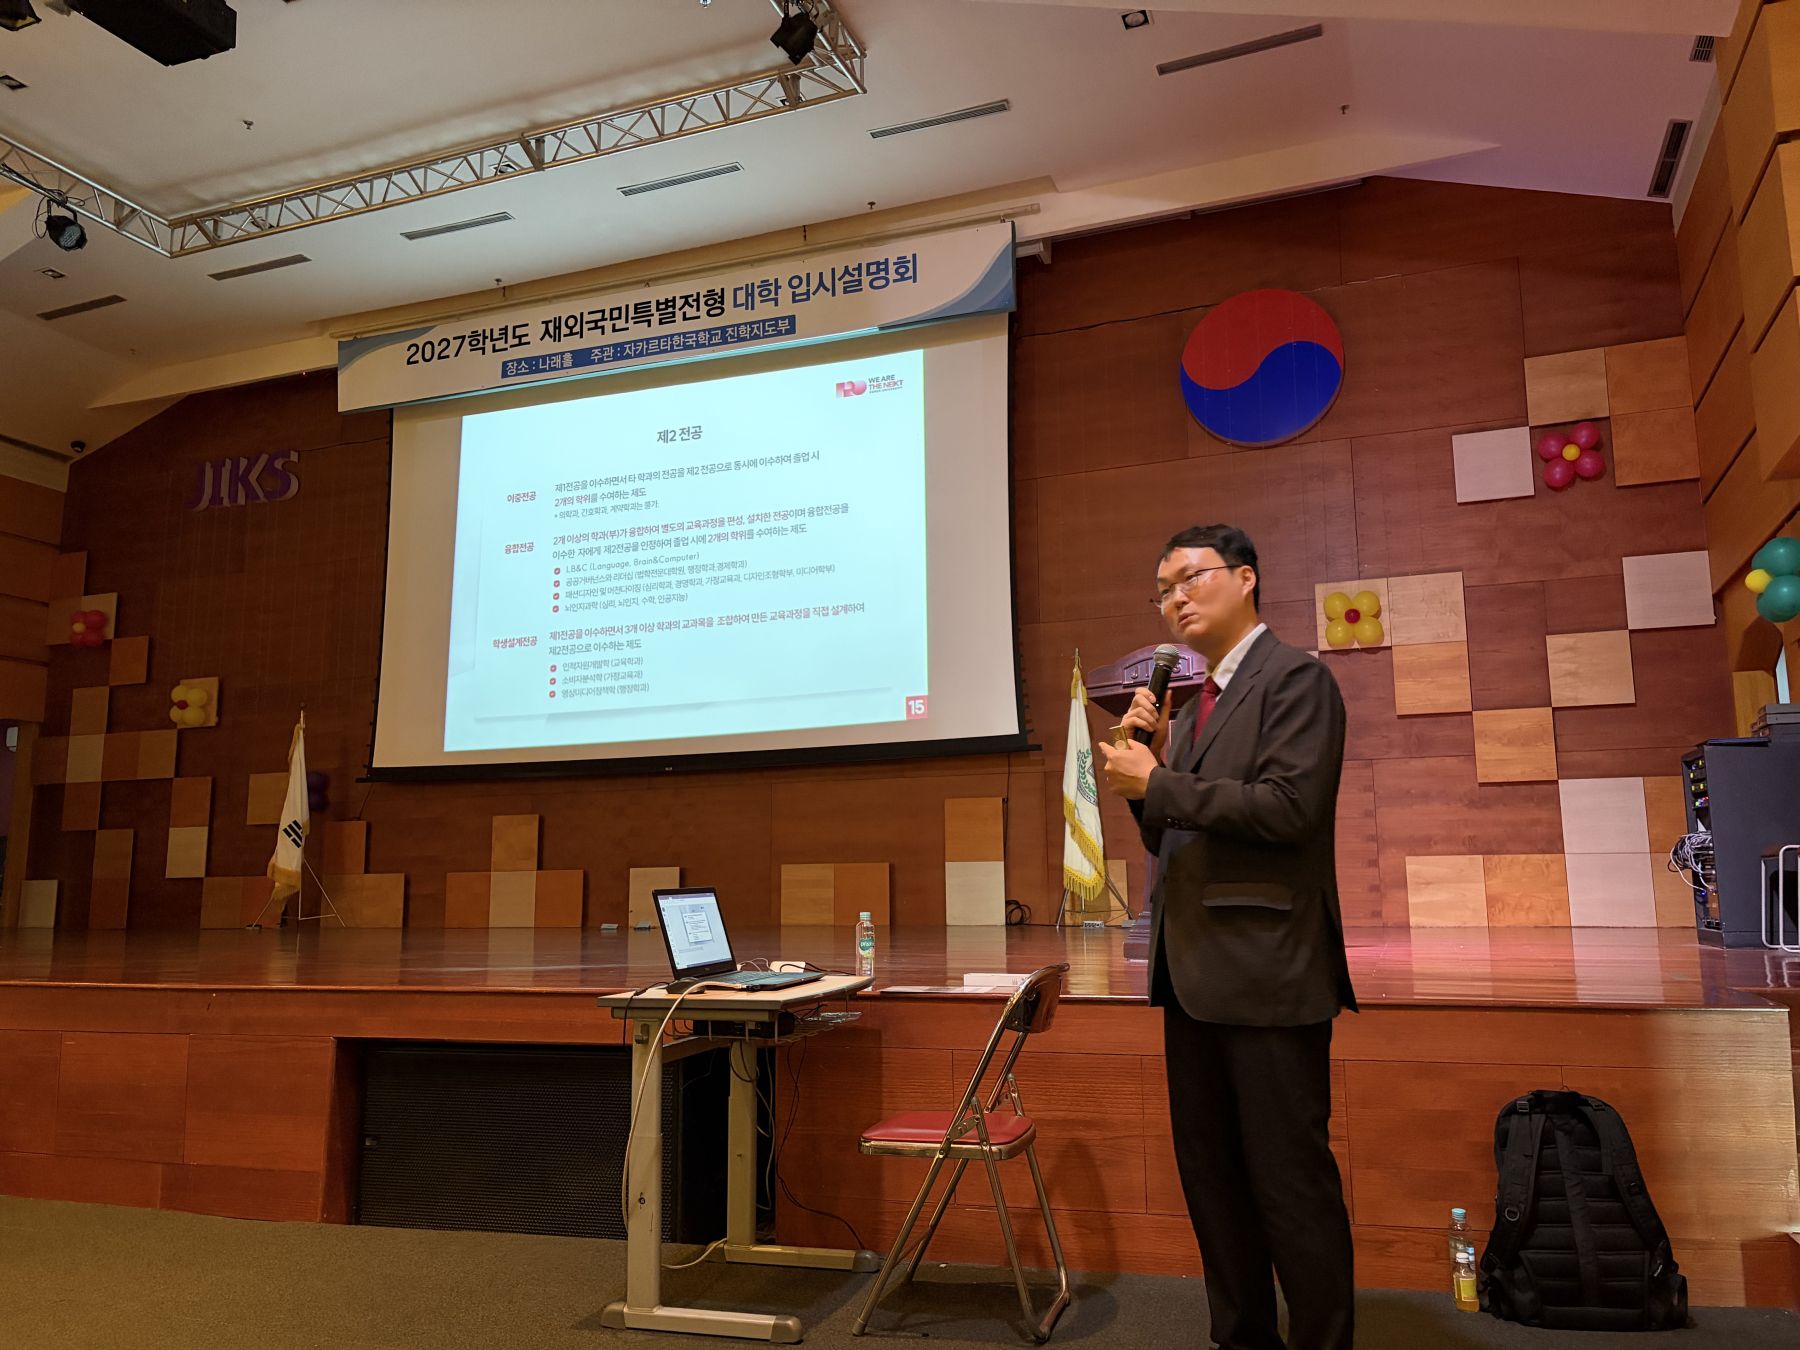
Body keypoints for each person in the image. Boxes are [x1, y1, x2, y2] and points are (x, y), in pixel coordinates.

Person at [1095, 523, 1356, 1350]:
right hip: (1193, 974)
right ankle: (1241, 1339)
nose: (1174, 599)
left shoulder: (1296, 679)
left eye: (1190, 578)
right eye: (1162, 590)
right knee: (1213, 1183)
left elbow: (1290, 809)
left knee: (1290, 1185)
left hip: (1268, 975)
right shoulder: (1198, 706)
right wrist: (1151, 775)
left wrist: (1160, 781)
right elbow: (1174, 835)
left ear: (1245, 577)